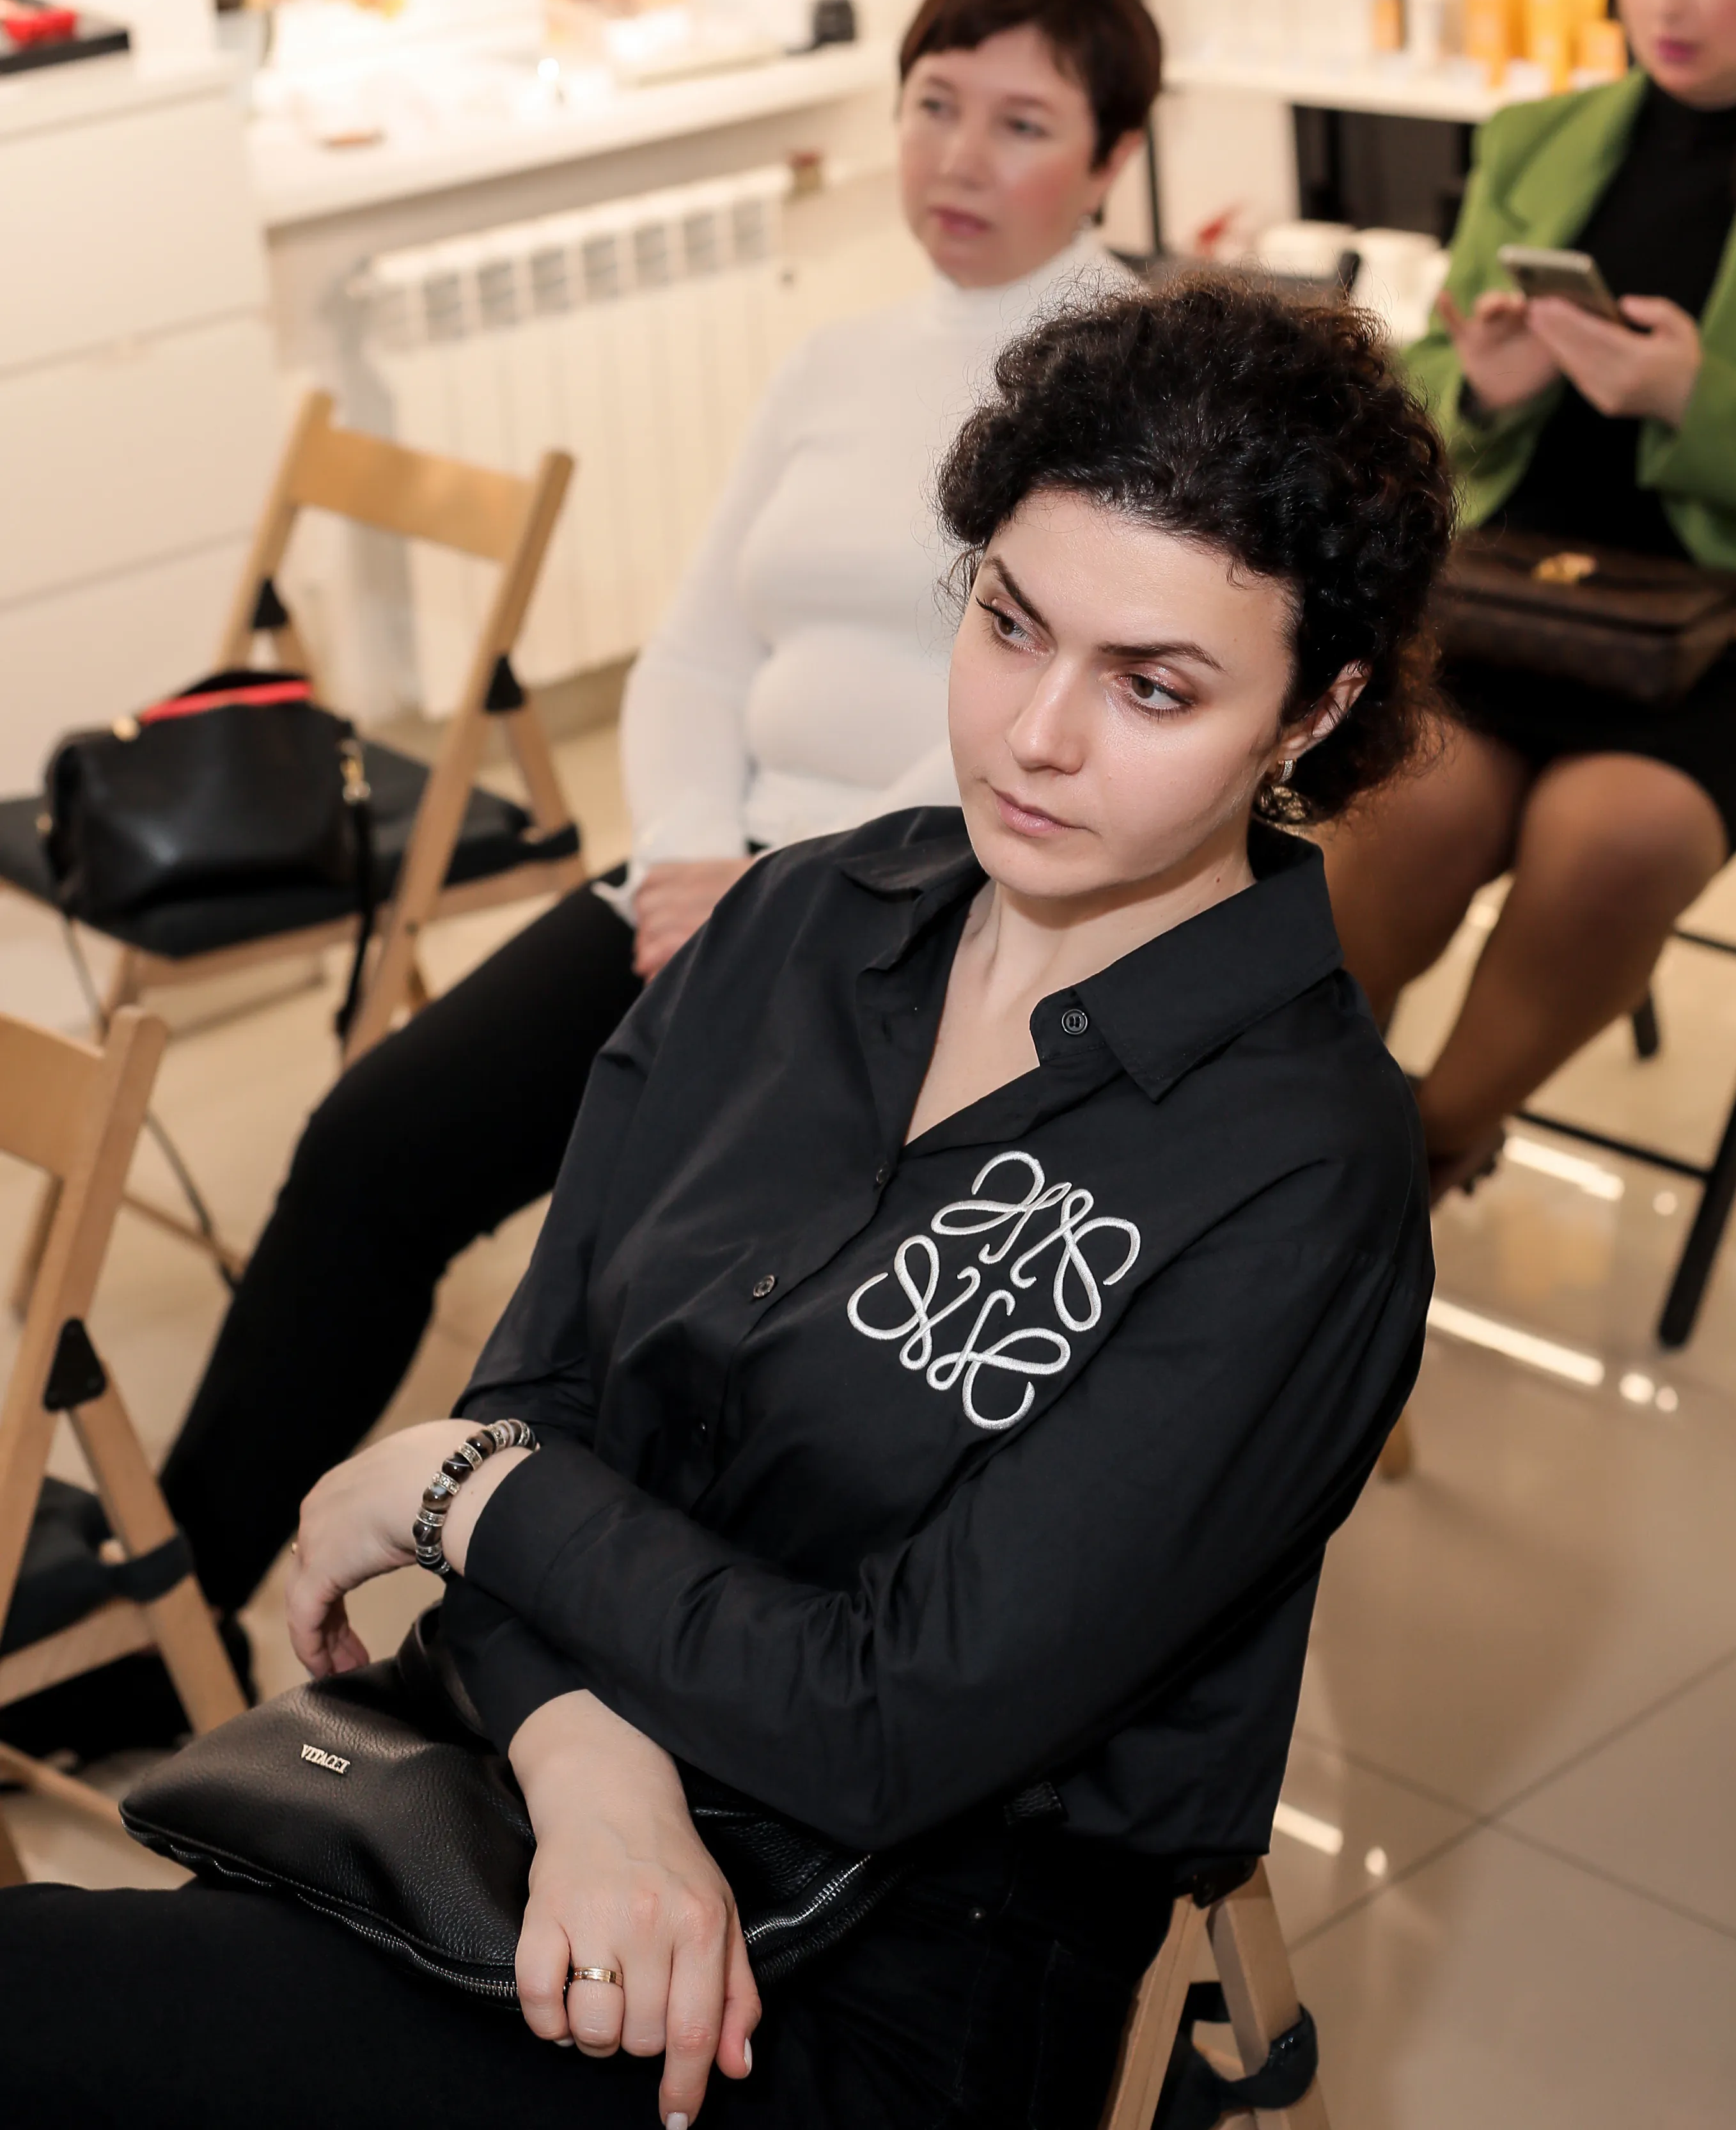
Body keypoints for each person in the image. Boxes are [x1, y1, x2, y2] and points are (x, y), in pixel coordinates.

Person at [0, 280, 1446, 2130]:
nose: (1033, 734)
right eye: (1009, 623)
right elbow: (537, 1408)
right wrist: (594, 1773)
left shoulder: (1301, 1178)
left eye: (1151, 685)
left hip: (882, 1962)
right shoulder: (797, 920)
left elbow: (885, 1713)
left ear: (1315, 708)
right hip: (535, 1786)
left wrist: (469, 1497)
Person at [6, 0, 1159, 1769]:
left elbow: (1044, 723)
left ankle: (541, 1685)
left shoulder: (1132, 393)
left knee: (634, 1281)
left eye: (1020, 122)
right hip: (701, 885)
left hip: (922, 915)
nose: (956, 154)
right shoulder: (839, 360)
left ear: (1112, 159)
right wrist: (692, 852)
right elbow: (693, 648)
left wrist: (780, 891)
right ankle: (186, 1594)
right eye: (932, 103)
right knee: (374, 1142)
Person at [1327, 0, 1736, 1196]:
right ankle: (1294, 1135)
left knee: (1612, 837)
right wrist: (1483, 388)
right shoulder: (1540, 141)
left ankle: (1414, 1155)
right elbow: (1414, 393)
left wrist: (1694, 400)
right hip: (1522, 597)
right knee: (1396, 806)